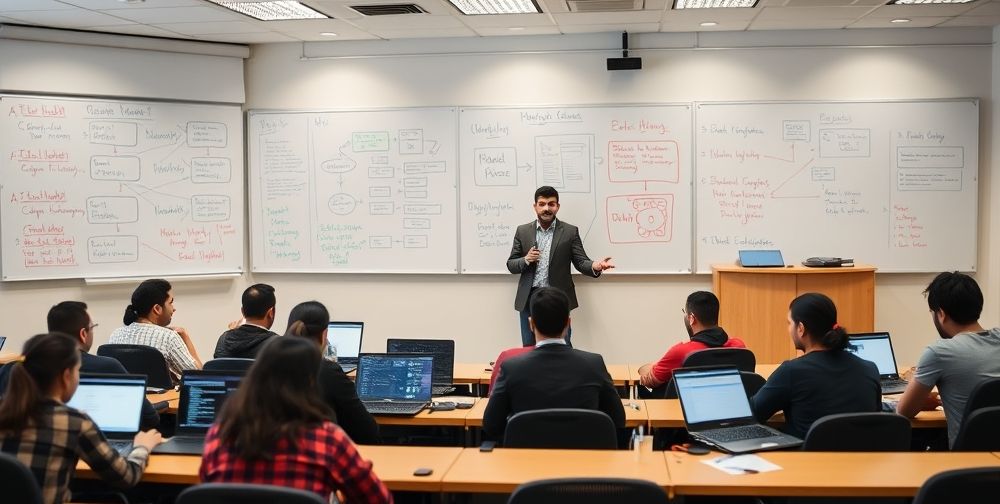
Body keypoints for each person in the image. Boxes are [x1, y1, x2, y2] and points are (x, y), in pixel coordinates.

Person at [199, 337, 391, 503]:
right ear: (310, 383)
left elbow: (207, 489)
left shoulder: (219, 435)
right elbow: (379, 500)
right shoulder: (328, 440)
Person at [0, 333, 162, 503]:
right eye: (77, 371)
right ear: (66, 376)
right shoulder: (73, 422)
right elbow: (125, 477)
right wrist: (142, 447)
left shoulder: (5, 411)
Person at [483, 287, 625, 440]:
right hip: (582, 460)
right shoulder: (594, 364)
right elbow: (618, 420)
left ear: (531, 324)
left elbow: (491, 425)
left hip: (525, 461)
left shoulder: (511, 367)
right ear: (568, 322)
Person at [0, 302, 161, 430]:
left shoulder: (13, 368)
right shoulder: (108, 366)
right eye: (92, 328)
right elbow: (150, 418)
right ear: (83, 334)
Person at [750, 293, 881, 439]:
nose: (788, 329)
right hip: (863, 460)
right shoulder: (869, 368)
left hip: (806, 460)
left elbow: (752, 414)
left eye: (789, 323)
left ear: (801, 328)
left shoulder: (791, 371)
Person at [896, 271, 1000, 448]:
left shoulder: (939, 353)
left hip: (965, 464)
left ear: (941, 314)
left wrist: (920, 395)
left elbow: (904, 411)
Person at [506, 186, 614, 347]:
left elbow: (581, 261)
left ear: (558, 206)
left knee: (562, 345)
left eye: (551, 204)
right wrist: (526, 260)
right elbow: (511, 264)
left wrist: (595, 266)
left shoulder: (570, 231)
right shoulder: (522, 231)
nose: (546, 208)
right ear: (535, 206)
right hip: (529, 297)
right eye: (542, 204)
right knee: (529, 347)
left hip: (557, 297)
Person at [284, 300, 379, 445]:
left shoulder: (264, 367)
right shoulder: (327, 372)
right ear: (324, 335)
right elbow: (368, 432)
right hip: (318, 455)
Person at [637, 291, 747, 388]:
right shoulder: (739, 347)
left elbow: (648, 379)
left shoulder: (681, 352)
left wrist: (656, 364)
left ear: (691, 318)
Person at [108, 278, 202, 384]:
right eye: (171, 303)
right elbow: (198, 376)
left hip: (126, 399)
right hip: (161, 400)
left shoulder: (115, 335)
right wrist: (185, 336)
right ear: (157, 309)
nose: (173, 308)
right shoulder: (168, 337)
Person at [214, 283, 279, 359]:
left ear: (242, 311)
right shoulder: (277, 344)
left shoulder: (223, 340)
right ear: (270, 313)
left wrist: (233, 331)